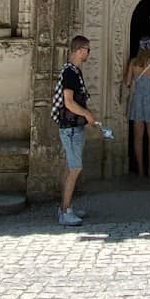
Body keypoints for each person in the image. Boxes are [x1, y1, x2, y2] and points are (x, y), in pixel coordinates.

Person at [56, 35, 98, 227]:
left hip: (74, 126)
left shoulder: (74, 71)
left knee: (71, 167)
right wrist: (87, 114)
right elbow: (69, 102)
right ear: (80, 49)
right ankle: (65, 212)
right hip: (70, 126)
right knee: (75, 168)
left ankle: (66, 206)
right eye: (87, 49)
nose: (88, 53)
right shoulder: (70, 73)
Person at [123, 37, 150, 178]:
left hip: (137, 101)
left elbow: (127, 82)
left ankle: (140, 169)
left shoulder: (133, 63)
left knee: (138, 137)